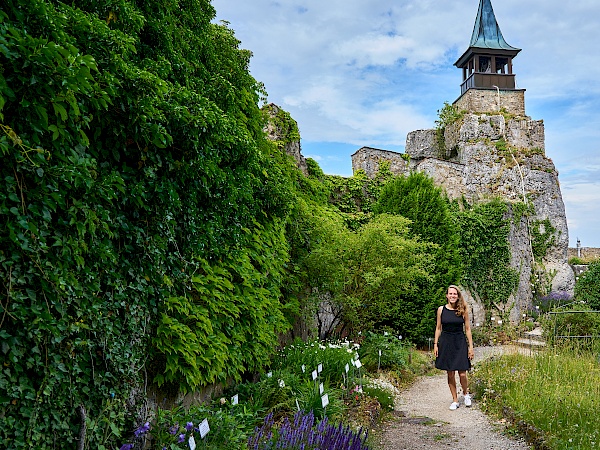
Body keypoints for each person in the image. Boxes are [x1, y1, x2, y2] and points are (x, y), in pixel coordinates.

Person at [433, 285, 474, 410]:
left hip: (460, 342)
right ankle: (455, 400)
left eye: (455, 294)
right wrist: (435, 344)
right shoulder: (441, 310)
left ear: (458, 296)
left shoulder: (463, 310)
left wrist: (471, 347)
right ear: (447, 295)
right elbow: (438, 328)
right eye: (450, 294)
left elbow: (467, 329)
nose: (452, 296)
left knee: (462, 373)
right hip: (446, 343)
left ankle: (466, 394)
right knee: (450, 373)